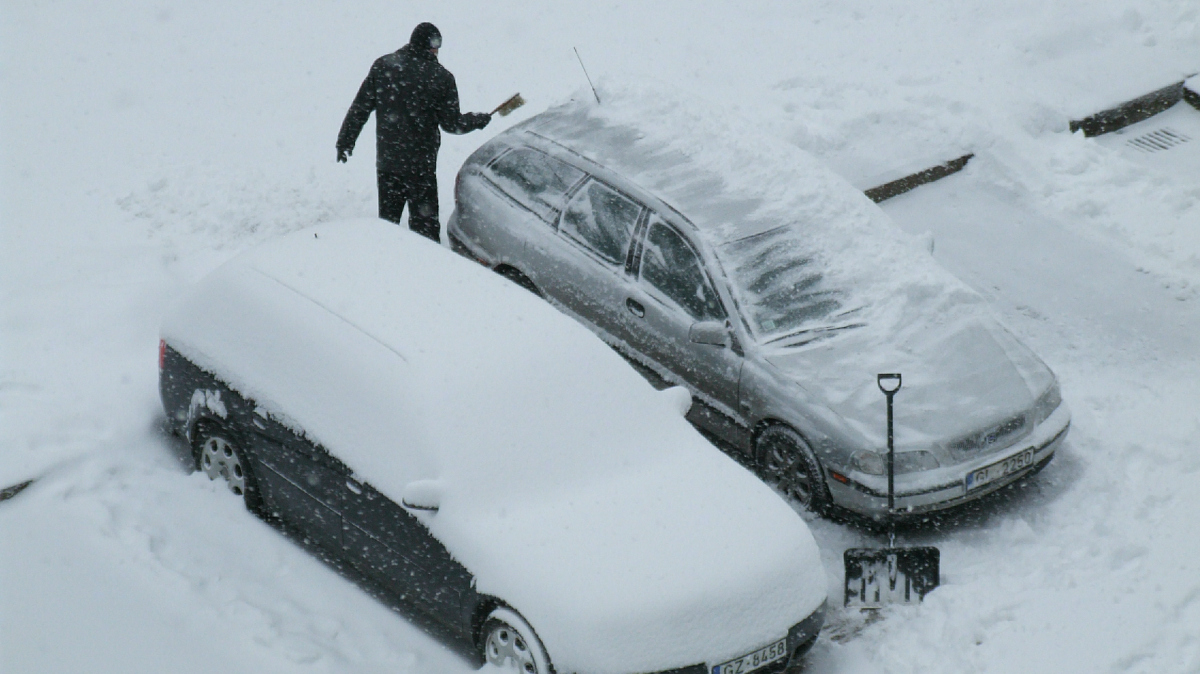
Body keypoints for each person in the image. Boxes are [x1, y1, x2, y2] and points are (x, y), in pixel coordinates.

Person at [336, 22, 491, 243]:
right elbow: (452, 124)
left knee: (387, 224)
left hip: (388, 163)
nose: (437, 50)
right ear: (429, 46)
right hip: (421, 167)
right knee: (425, 231)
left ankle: (385, 261)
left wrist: (345, 140)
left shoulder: (383, 66)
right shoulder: (441, 77)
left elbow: (360, 108)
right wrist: (476, 120)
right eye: (436, 45)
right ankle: (425, 270)